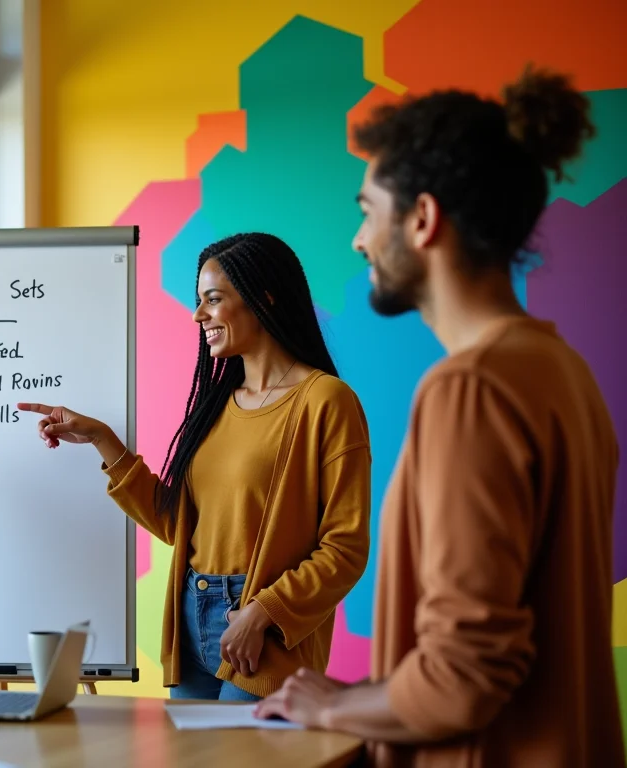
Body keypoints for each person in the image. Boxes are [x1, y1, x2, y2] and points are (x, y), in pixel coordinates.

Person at [253, 68, 624, 767]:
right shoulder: (561, 370)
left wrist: (331, 707)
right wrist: (362, 695)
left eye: (368, 210)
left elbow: (464, 678)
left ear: (422, 219)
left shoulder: (471, 388)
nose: (359, 240)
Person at [19, 232, 371, 701]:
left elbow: (345, 548)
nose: (198, 315)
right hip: (190, 622)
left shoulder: (325, 400)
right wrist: (103, 441)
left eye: (213, 300)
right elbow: (176, 523)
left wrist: (262, 612)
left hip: (264, 630)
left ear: (263, 299)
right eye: (199, 301)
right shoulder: (217, 405)